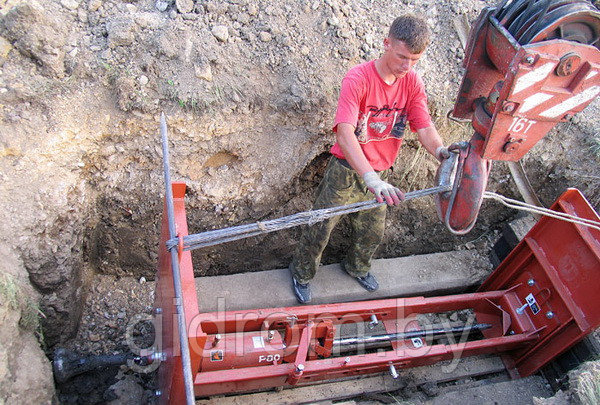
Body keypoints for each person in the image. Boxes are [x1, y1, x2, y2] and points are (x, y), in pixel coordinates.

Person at [289, 14, 450, 304]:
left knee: (372, 231)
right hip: (347, 172)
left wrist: (441, 153)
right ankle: (301, 273)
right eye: (402, 57)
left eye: (415, 60)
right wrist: (369, 178)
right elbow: (345, 134)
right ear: (386, 43)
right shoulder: (359, 78)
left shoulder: (412, 82)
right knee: (320, 227)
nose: (407, 67)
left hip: (380, 175)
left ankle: (357, 267)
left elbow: (424, 126)